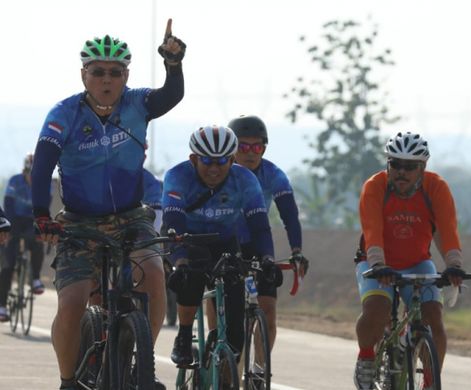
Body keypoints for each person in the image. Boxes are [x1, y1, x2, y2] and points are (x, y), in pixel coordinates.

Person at [31, 20, 186, 390]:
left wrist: (173, 64)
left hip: (131, 216)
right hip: (80, 222)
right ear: (84, 75)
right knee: (71, 304)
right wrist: (41, 214)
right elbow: (41, 167)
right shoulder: (64, 114)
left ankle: (139, 363)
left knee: (154, 275)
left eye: (115, 73)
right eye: (98, 72)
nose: (107, 80)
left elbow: (171, 96)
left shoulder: (137, 103)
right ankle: (68, 380)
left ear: (126, 75)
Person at [353, 131, 467, 390]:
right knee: (377, 311)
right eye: (396, 164)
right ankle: (367, 358)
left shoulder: (436, 188)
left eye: (410, 166)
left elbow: (447, 231)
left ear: (423, 167)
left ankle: (429, 381)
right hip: (375, 262)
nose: (401, 172)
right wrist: (379, 265)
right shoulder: (375, 187)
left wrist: (454, 266)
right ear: (388, 164)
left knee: (433, 319)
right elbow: (372, 231)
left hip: (417, 261)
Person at [164, 125, 275, 367]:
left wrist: (267, 258)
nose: (214, 169)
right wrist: (179, 261)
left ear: (232, 159)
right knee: (190, 277)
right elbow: (173, 222)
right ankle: (183, 335)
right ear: (193, 159)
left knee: (235, 336)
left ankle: (224, 367)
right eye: (207, 161)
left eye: (222, 161)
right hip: (187, 238)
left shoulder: (245, 179)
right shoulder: (177, 176)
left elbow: (259, 226)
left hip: (225, 242)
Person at [228, 114, 309, 380]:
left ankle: (259, 372)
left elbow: (290, 217)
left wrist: (297, 251)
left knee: (268, 311)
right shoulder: (220, 171)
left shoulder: (274, 175)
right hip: (224, 242)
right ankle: (222, 357)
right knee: (225, 308)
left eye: (257, 147)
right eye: (244, 147)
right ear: (231, 148)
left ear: (264, 147)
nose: (251, 153)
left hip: (258, 243)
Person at [0, 154, 48, 322]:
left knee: (37, 244)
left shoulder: (44, 184)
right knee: (8, 265)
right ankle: (2, 306)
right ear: (26, 171)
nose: (33, 179)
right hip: (14, 218)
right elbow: (8, 204)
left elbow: (44, 207)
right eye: (30, 174)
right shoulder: (15, 181)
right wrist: (10, 228)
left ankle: (35, 278)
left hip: (31, 220)